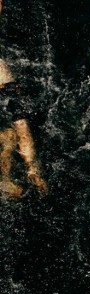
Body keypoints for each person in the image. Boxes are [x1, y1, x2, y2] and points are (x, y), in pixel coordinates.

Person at [0, 56, 48, 197]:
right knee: (13, 135)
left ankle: (12, 178)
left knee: (11, 136)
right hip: (8, 90)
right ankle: (19, 174)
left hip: (8, 90)